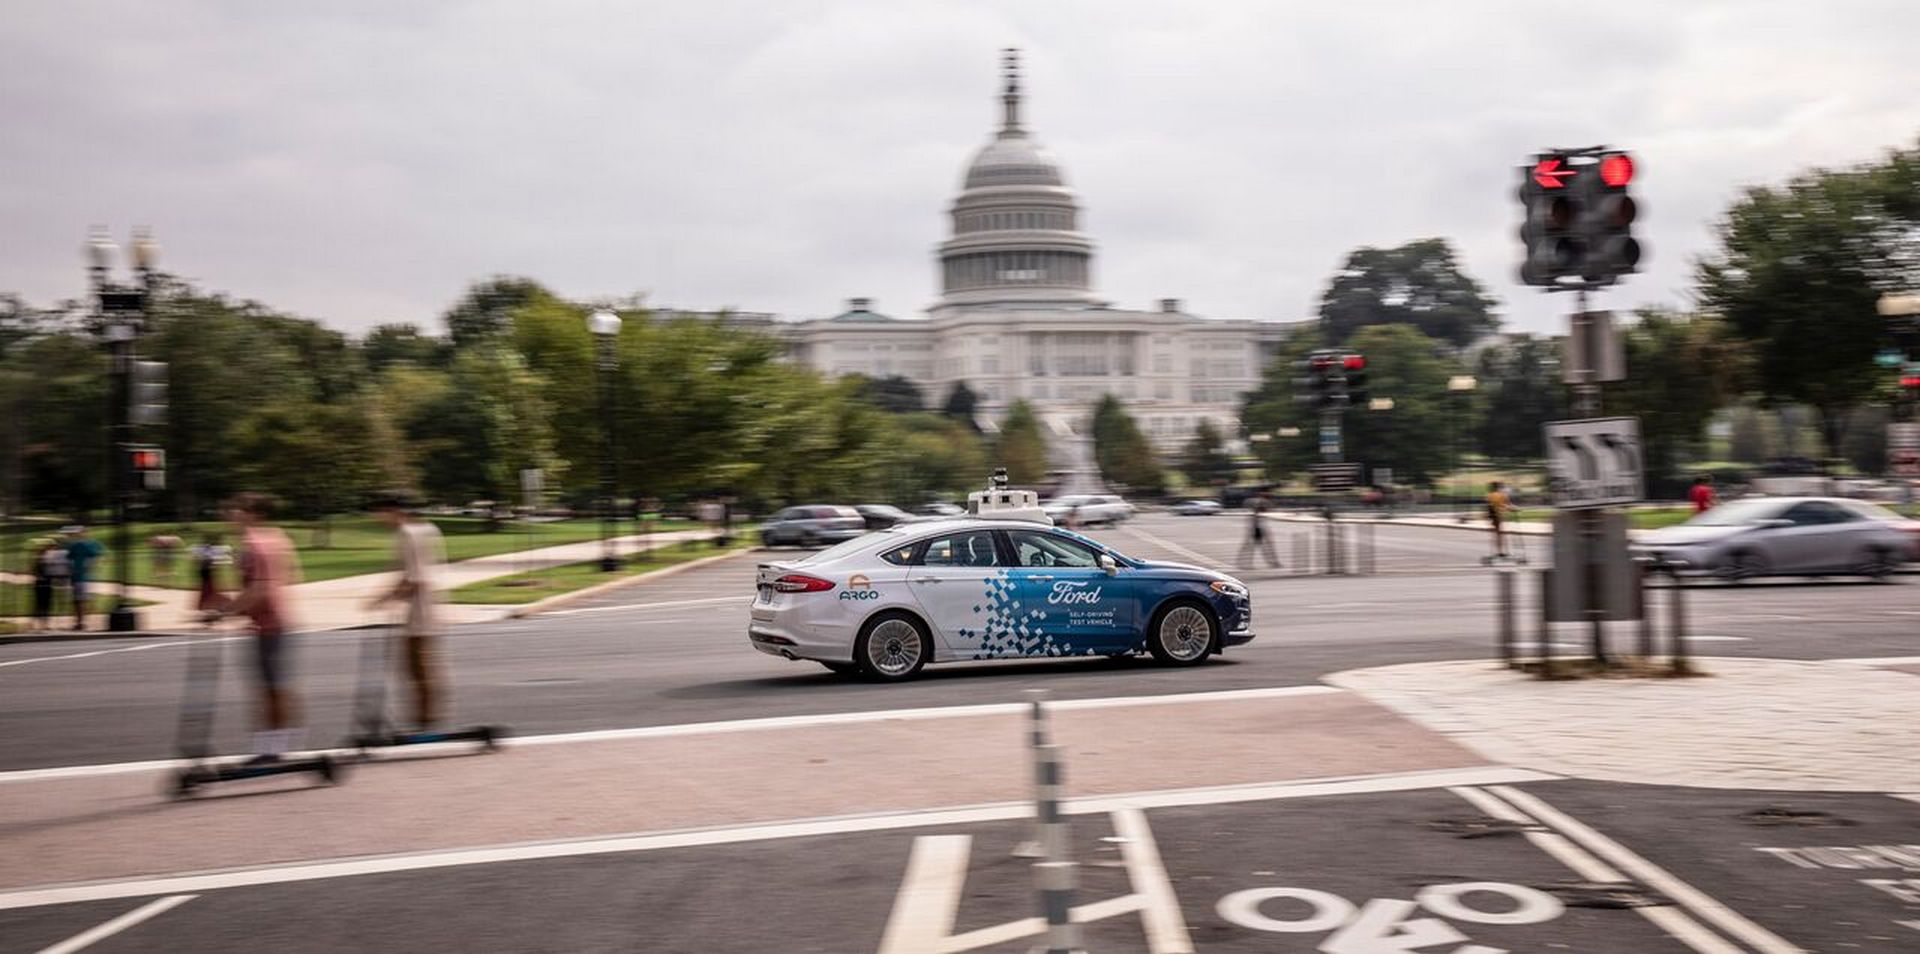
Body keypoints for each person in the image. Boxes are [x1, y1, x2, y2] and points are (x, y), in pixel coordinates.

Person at [214, 493, 304, 763]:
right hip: (275, 621)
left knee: (268, 687)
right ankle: (276, 743)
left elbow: (259, 588)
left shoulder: (254, 544)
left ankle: (272, 748)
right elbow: (289, 575)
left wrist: (224, 612)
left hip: (269, 625)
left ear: (251, 513)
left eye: (234, 510)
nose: (229, 515)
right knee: (274, 684)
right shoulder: (276, 538)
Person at [367, 492, 448, 731]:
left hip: (419, 607)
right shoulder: (428, 529)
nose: (380, 517)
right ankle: (427, 717)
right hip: (430, 602)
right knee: (424, 664)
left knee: (417, 665)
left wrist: (385, 599)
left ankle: (426, 721)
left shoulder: (407, 533)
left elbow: (413, 577)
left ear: (395, 510)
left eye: (382, 511)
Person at [64, 526, 105, 631]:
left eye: (81, 532)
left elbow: (96, 556)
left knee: (81, 600)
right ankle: (79, 622)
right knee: (77, 601)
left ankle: (82, 622)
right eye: (79, 533)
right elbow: (69, 559)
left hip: (83, 577)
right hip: (77, 577)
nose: (80, 534)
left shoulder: (85, 545)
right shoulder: (75, 545)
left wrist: (90, 567)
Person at [192, 532, 232, 620]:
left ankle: (214, 609)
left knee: (208, 591)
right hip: (206, 575)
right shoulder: (208, 550)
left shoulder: (205, 550)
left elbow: (200, 561)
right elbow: (208, 562)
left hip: (206, 575)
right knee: (209, 591)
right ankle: (214, 609)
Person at [1237, 492, 1281, 569]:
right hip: (1257, 527)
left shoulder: (1260, 502)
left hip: (1257, 527)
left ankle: (1273, 562)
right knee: (1260, 546)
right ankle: (1273, 562)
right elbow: (1258, 514)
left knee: (1257, 546)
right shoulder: (1261, 502)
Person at [30, 539, 65, 633]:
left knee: (47, 604)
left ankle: (45, 624)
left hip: (48, 583)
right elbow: (35, 571)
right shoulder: (40, 559)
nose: (53, 550)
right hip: (41, 583)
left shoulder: (50, 559)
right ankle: (36, 625)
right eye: (52, 547)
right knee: (40, 604)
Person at [1485, 481, 1512, 560]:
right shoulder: (1503, 495)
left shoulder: (1489, 495)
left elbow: (1488, 507)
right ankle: (1501, 552)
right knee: (1500, 534)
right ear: (1498, 487)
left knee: (1497, 534)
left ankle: (1499, 552)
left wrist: (1488, 517)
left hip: (1493, 516)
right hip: (1499, 516)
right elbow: (1507, 505)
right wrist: (1512, 509)